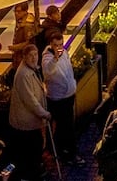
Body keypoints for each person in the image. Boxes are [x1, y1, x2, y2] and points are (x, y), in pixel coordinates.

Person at [8, 44, 51, 180]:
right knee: (31, 150)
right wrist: (44, 114)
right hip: (26, 123)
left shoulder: (31, 70)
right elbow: (30, 101)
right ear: (24, 57)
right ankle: (32, 174)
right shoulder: (23, 74)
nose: (34, 58)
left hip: (31, 121)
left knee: (35, 148)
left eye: (35, 55)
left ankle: (34, 171)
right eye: (31, 55)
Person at [42, 32, 81, 165]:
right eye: (56, 45)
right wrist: (55, 59)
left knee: (66, 126)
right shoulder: (47, 58)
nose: (59, 47)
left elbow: (68, 71)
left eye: (61, 44)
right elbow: (47, 72)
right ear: (51, 45)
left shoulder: (64, 53)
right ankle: (68, 154)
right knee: (66, 127)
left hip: (68, 95)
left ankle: (63, 151)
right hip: (58, 98)